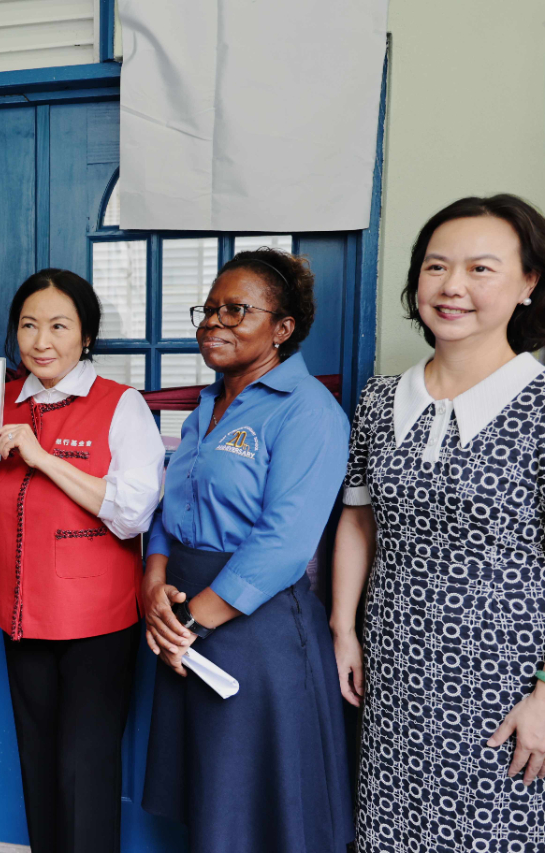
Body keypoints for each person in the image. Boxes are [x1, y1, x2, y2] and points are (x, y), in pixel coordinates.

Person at [332, 194, 545, 852]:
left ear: (528, 283)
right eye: (436, 266)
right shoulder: (379, 400)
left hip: (510, 688)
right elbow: (359, 522)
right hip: (394, 678)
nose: (452, 286)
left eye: (481, 268)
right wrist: (343, 628)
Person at [140, 248, 354, 853]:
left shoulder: (309, 410)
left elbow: (284, 543)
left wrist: (188, 623)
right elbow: (171, 508)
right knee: (210, 799)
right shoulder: (205, 409)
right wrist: (153, 582)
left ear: (282, 328)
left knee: (254, 811)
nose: (214, 322)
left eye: (235, 310)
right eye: (209, 310)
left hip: (256, 631)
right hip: (185, 616)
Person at [0, 269, 165, 853]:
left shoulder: (121, 405)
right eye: (28, 325)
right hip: (21, 615)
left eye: (59, 326)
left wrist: (42, 456)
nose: (41, 341)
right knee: (38, 765)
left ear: (86, 336)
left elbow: (133, 513)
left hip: (97, 621)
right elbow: (5, 488)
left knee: (84, 771)